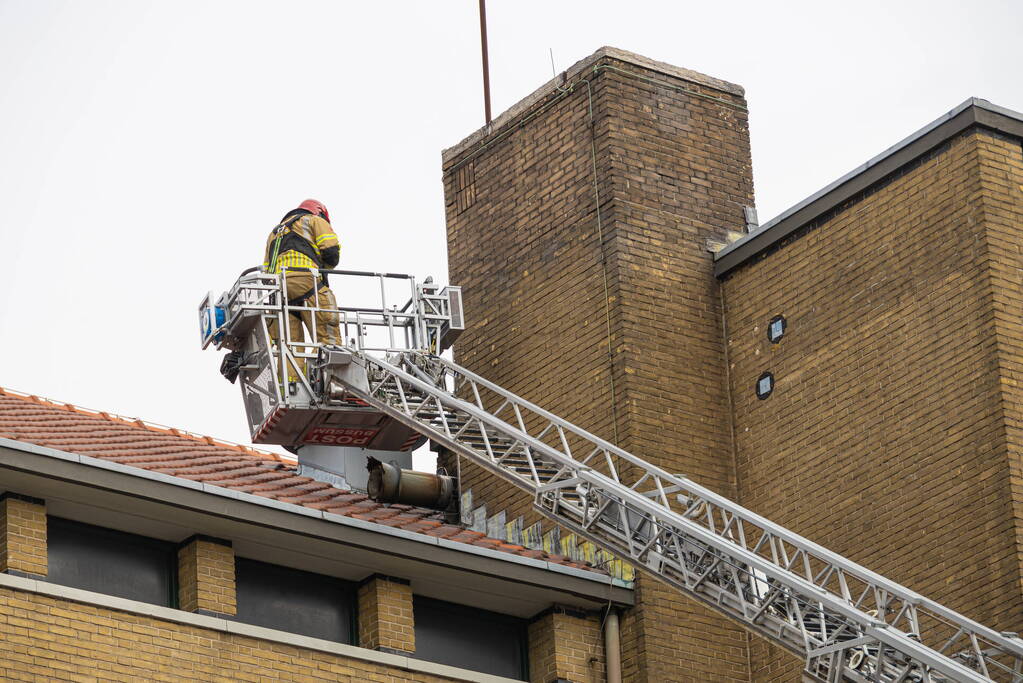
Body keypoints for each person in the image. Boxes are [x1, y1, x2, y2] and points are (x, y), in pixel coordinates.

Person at [263, 199, 341, 382]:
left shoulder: (274, 234)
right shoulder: (313, 220)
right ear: (319, 211)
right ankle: (327, 381)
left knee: (289, 347)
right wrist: (322, 271)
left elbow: (267, 269)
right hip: (305, 281)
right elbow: (331, 253)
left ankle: (292, 387)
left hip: (278, 292)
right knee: (327, 333)